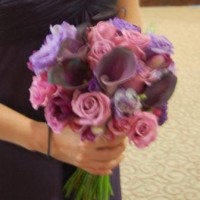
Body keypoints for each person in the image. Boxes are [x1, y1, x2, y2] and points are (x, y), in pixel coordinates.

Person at [0, 0, 141, 199]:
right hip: (15, 141)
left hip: (94, 138)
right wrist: (46, 141)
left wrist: (124, 95)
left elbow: (127, 12)